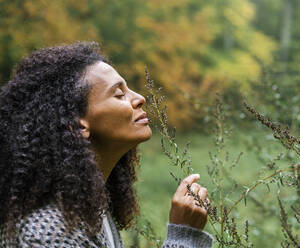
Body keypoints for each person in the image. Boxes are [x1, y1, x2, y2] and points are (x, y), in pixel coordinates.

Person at [0, 42, 213, 248]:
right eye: (119, 94)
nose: (139, 98)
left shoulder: (86, 206)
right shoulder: (49, 230)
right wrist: (184, 235)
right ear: (77, 125)